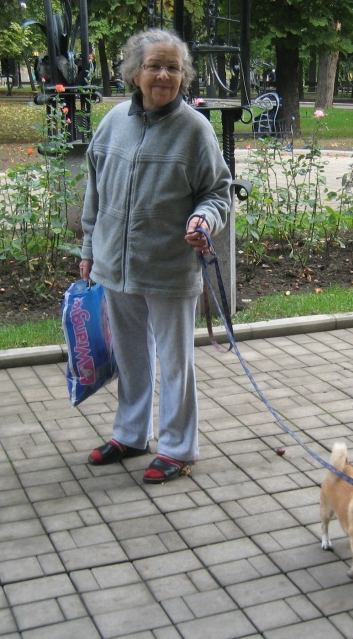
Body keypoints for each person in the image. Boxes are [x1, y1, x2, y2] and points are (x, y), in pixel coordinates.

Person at [79, 28, 232, 484]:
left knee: (175, 360)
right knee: (131, 357)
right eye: (154, 66)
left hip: (169, 265)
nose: (163, 75)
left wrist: (204, 220)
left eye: (172, 67)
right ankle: (130, 434)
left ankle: (179, 447)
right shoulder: (112, 124)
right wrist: (89, 249)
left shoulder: (194, 130)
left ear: (183, 76)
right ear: (134, 72)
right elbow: (95, 193)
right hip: (114, 264)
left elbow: (218, 193)